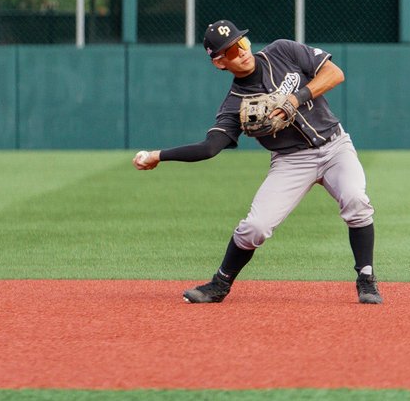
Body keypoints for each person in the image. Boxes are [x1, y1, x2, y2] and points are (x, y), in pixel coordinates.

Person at [133, 19, 382, 305]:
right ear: (219, 62)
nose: (241, 51)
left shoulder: (282, 51)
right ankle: (219, 284)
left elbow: (334, 73)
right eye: (230, 50)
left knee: (356, 201)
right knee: (255, 227)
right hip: (291, 161)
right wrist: (158, 155)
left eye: (242, 42)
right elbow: (210, 147)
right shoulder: (234, 103)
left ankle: (366, 278)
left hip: (335, 146)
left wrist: (294, 99)